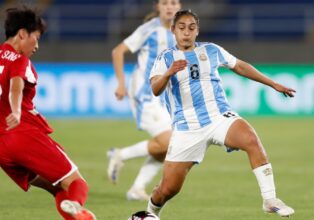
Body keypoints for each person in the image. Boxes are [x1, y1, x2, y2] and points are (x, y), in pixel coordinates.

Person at [146, 9, 295, 218]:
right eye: (181, 28)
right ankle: (150, 213)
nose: (186, 32)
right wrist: (169, 72)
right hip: (186, 128)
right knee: (168, 189)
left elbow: (240, 66)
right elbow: (155, 89)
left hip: (219, 116)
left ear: (197, 31)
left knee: (251, 139)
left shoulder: (211, 50)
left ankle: (270, 199)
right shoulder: (165, 58)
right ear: (173, 30)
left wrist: (273, 83)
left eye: (191, 28)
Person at [0, 6, 95, 220]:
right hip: (22, 134)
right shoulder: (19, 61)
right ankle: (77, 207)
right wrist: (16, 110)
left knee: (59, 189)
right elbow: (16, 85)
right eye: (36, 37)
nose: (37, 45)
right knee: (77, 183)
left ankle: (77, 215)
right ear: (22, 34)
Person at [108, 0, 181, 201]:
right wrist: (121, 83)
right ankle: (120, 155)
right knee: (169, 141)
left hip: (164, 96)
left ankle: (137, 189)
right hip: (145, 93)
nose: (169, 6)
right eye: (165, 3)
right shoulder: (149, 29)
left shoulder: (180, 31)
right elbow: (118, 51)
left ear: (179, 6)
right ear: (158, 7)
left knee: (168, 147)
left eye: (173, 2)